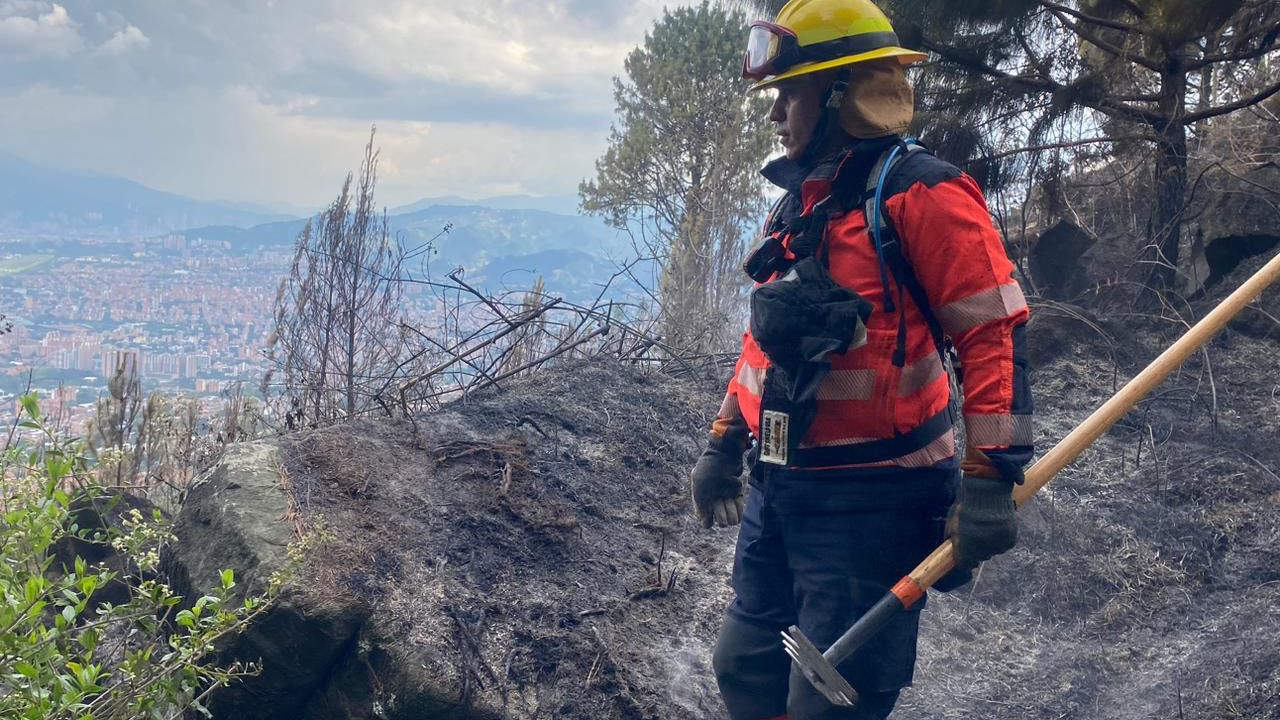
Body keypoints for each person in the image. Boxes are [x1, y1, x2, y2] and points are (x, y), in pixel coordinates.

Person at [689, 1, 1035, 718]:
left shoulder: (925, 195)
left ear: (841, 95)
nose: (776, 114)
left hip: (875, 502)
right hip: (781, 486)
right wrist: (725, 441)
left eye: (790, 94)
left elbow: (993, 336)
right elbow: (766, 346)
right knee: (744, 670)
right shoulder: (801, 205)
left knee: (831, 703)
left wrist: (989, 479)